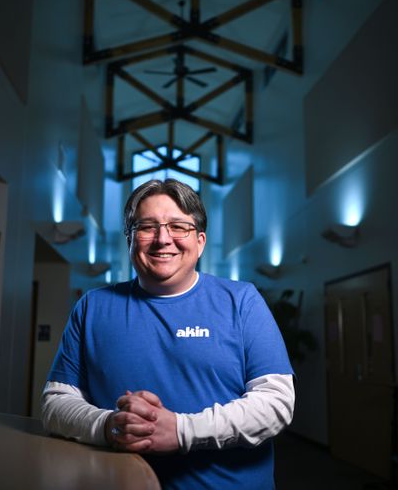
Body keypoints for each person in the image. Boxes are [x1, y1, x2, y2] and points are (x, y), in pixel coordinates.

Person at [41, 178, 295, 489]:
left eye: (178, 226)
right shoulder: (92, 307)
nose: (163, 239)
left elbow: (276, 403)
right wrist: (110, 425)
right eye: (147, 227)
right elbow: (56, 404)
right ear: (130, 240)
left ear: (200, 241)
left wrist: (180, 430)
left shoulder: (242, 301)